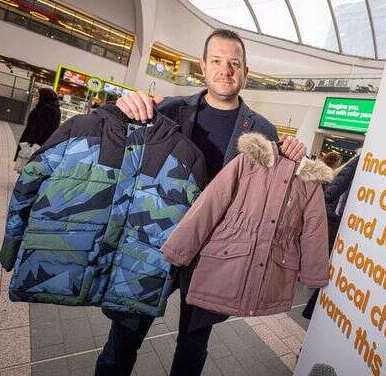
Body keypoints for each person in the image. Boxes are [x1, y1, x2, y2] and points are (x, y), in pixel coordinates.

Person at [95, 29, 306, 376]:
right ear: (203, 67)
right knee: (122, 341)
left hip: (214, 255)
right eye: (217, 61)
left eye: (234, 63)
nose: (226, 70)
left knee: (193, 348)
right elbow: (111, 134)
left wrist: (295, 154)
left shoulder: (264, 131)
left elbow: (273, 195)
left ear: (245, 72)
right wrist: (121, 108)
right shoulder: (169, 110)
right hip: (155, 245)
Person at [302, 154, 360, 320]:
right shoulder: (363, 158)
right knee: (326, 254)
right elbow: (338, 184)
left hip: (332, 215)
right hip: (334, 217)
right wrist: (323, 202)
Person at [14, 88, 61, 161]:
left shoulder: (47, 109)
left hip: (35, 144)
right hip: (42, 144)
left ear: (44, 97)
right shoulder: (53, 108)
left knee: (26, 162)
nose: (37, 97)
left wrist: (30, 142)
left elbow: (40, 129)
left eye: (39, 95)